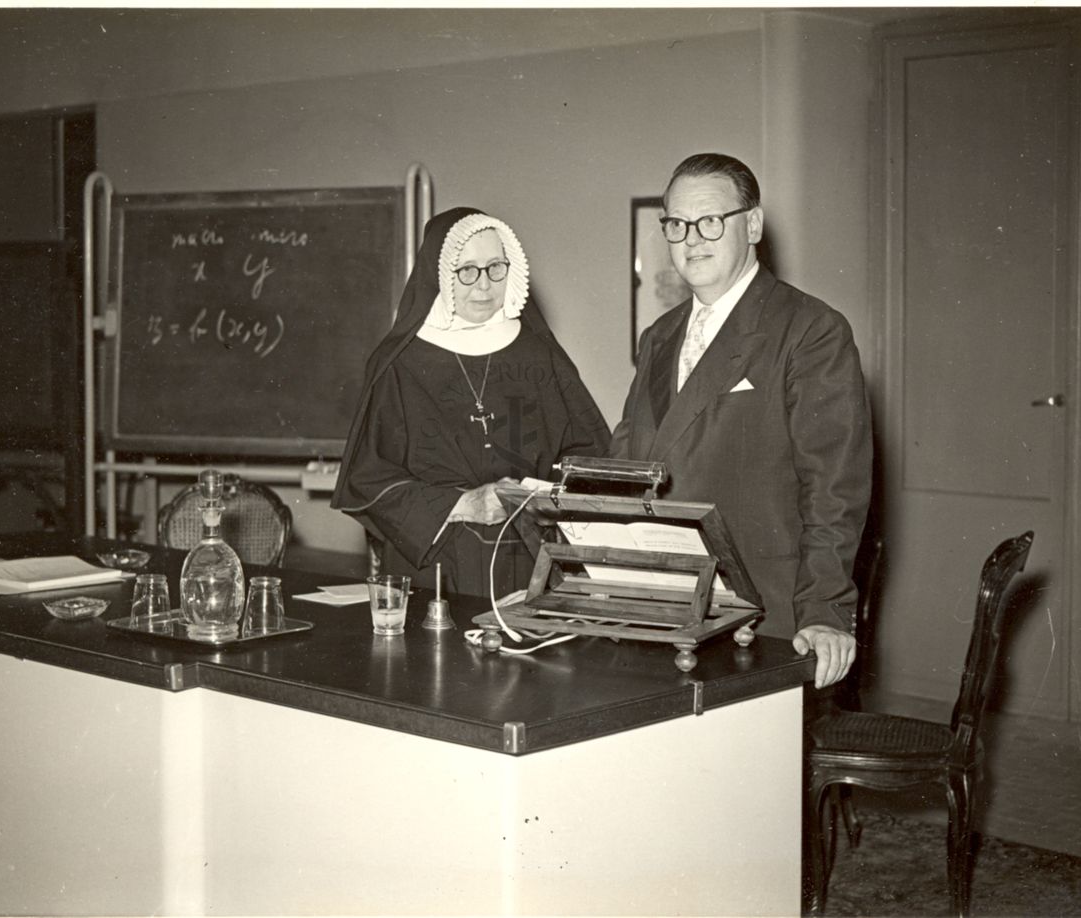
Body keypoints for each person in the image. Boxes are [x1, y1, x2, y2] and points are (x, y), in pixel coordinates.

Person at [610, 153, 872, 689]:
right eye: (677, 224)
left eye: (710, 221)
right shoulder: (659, 338)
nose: (691, 239)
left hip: (761, 608)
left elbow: (834, 487)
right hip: (662, 605)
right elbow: (627, 464)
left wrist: (824, 609)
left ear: (751, 224)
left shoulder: (809, 329)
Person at [333, 207, 610, 600]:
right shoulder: (399, 363)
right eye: (467, 270)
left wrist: (545, 500)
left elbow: (589, 455)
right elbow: (368, 480)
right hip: (433, 561)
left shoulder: (538, 355)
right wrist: (464, 504)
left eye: (495, 267)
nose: (483, 286)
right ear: (440, 274)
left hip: (530, 557)